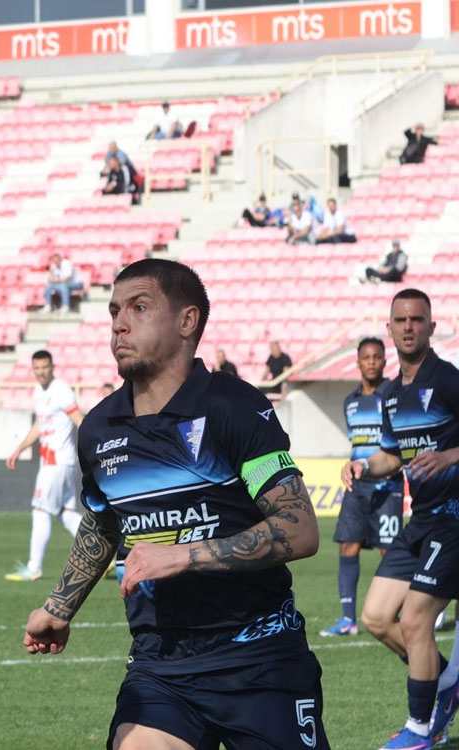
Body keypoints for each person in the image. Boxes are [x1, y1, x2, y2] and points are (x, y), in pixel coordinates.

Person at [23, 258, 328, 750]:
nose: (119, 324)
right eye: (114, 311)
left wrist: (182, 555)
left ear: (187, 321)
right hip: (160, 665)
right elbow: (104, 522)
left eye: (139, 308)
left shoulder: (233, 406)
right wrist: (59, 606)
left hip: (260, 659)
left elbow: (299, 528)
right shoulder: (99, 428)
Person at [342, 288, 459, 748]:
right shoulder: (391, 394)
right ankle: (447, 683)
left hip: (454, 520)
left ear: (431, 327)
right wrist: (363, 465)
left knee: (415, 619)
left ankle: (419, 730)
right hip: (422, 520)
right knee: (375, 617)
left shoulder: (447, 380)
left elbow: (444, 454)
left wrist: (449, 456)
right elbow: (393, 455)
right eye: (401, 320)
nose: (409, 326)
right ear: (389, 328)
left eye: (417, 319)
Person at [321, 337, 404, 638]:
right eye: (366, 357)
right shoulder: (350, 402)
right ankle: (348, 620)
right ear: (357, 363)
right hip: (357, 486)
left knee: (389, 551)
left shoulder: (393, 395)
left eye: (376, 357)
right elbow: (356, 443)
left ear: (384, 361)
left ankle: (409, 608)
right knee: (348, 545)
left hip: (387, 484)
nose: (371, 362)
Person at [4, 350, 84, 582]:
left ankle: (34, 567)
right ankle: (104, 554)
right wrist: (20, 448)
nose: (41, 372)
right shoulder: (39, 392)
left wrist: (95, 446)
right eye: (37, 368)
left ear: (52, 367)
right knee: (65, 513)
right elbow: (40, 425)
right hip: (55, 462)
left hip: (57, 462)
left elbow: (79, 420)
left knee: (40, 509)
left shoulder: (61, 390)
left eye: (45, 367)